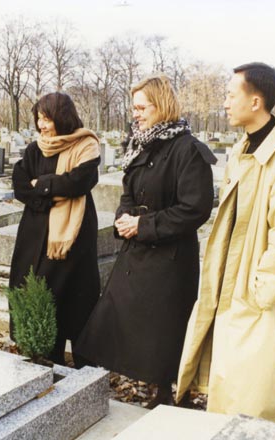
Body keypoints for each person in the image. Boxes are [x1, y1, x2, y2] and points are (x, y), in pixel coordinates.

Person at [175, 62, 275, 425]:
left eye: (230, 95)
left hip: (259, 294)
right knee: (230, 385)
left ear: (256, 101)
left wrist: (259, 291)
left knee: (256, 392)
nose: (224, 103)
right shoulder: (243, 149)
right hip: (232, 282)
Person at [75, 74, 216, 408]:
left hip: (170, 258)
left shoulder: (188, 150)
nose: (135, 114)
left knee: (162, 332)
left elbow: (195, 208)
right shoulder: (140, 143)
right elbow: (129, 192)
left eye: (141, 108)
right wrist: (124, 218)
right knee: (109, 319)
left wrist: (143, 225)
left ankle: (166, 393)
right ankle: (92, 381)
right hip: (136, 252)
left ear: (161, 106)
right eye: (134, 108)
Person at [9, 92, 101, 366]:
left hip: (73, 236)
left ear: (62, 118)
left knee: (75, 300)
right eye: (39, 119)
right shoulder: (35, 149)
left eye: (47, 119)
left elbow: (79, 182)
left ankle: (84, 367)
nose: (42, 125)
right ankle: (47, 357)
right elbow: (20, 185)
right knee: (41, 295)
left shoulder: (86, 146)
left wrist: (41, 185)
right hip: (36, 234)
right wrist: (50, 194)